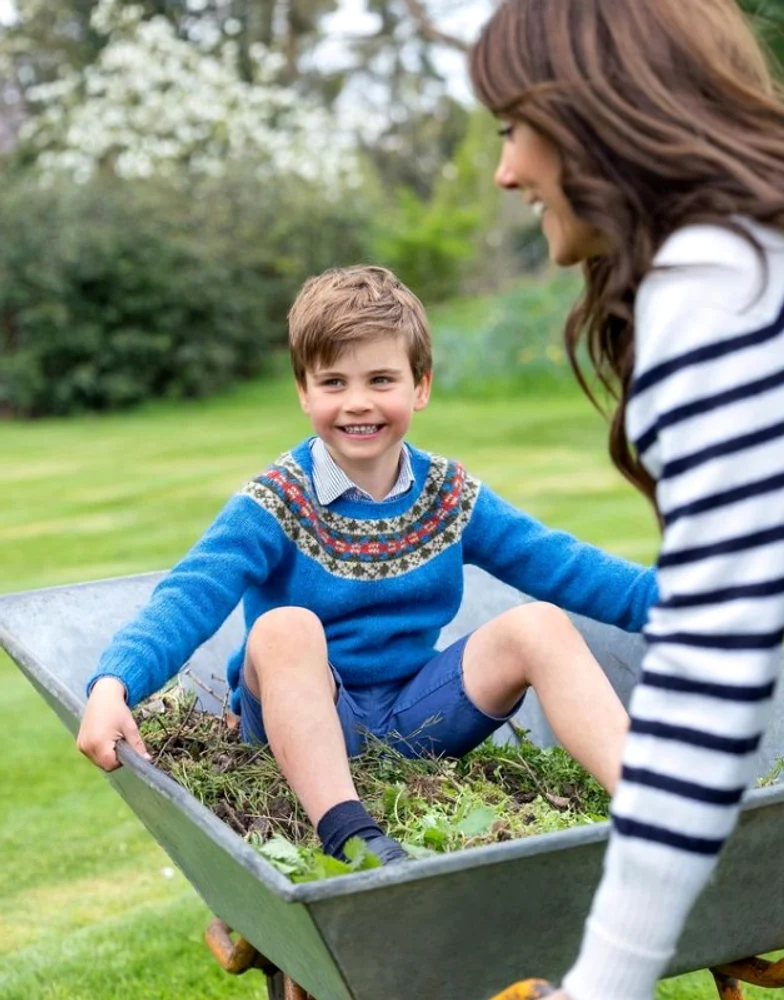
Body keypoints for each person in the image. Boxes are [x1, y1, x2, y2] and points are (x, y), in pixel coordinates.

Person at [77, 264, 656, 866]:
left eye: (381, 379)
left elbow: (562, 565)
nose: (358, 403)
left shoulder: (448, 494)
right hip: (299, 720)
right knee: (283, 627)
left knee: (539, 623)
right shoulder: (276, 501)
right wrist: (115, 682)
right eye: (333, 382)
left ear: (420, 386)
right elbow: (191, 593)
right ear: (303, 391)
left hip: (417, 714)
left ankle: (648, 806)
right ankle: (352, 836)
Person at [470, 1, 784, 998]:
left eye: (515, 129)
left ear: (592, 119)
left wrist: (605, 982)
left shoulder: (712, 294)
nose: (505, 171)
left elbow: (713, 677)